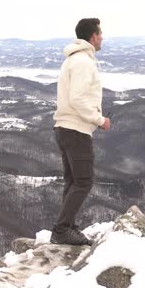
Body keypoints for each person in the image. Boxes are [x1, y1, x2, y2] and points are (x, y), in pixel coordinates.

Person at [50, 18, 111, 245]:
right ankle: (62, 229)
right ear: (93, 37)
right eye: (100, 33)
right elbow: (77, 98)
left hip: (64, 128)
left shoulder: (72, 60)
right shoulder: (83, 62)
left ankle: (68, 226)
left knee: (73, 181)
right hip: (75, 129)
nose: (102, 37)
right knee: (84, 181)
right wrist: (99, 119)